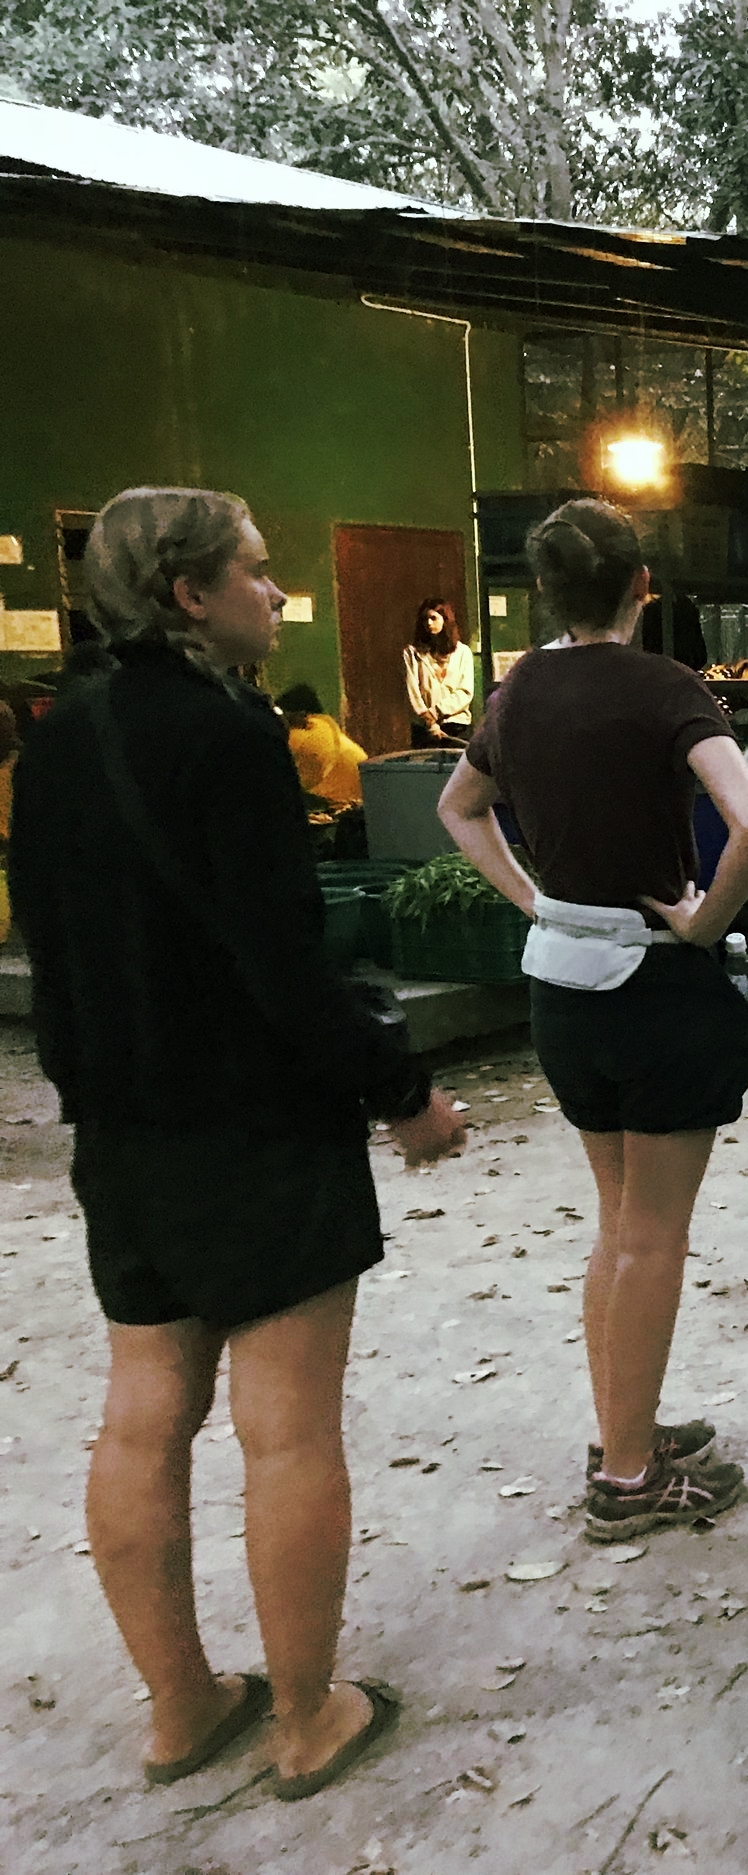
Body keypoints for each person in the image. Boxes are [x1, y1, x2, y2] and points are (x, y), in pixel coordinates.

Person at [12, 487, 467, 1796]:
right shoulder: (227, 737)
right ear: (188, 595)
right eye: (258, 574)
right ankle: (308, 1717)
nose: (278, 595)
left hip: (125, 1136)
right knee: (285, 1429)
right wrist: (402, 1091)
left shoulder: (55, 739)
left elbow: (50, 954)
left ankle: (179, 1707)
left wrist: (91, 1085)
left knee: (141, 1417)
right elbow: (285, 961)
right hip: (258, 1133)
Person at [438, 498, 748, 1544]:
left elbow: (461, 806)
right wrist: (703, 919)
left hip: (561, 983)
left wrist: (531, 897)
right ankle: (630, 1479)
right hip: (653, 982)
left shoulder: (518, 687)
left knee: (618, 1223)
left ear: (547, 593)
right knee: (653, 1234)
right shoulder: (665, 689)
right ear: (644, 587)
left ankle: (620, 1428)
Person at [278, 682, 367, 809]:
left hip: (344, 810)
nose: (280, 721)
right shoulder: (328, 728)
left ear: (301, 714)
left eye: (283, 714)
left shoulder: (309, 734)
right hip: (363, 804)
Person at [405, 598, 475, 746]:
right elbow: (413, 693)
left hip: (457, 725)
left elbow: (465, 692)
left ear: (445, 619)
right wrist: (429, 721)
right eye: (425, 619)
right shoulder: (412, 653)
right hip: (425, 728)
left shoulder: (462, 652)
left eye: (433, 618)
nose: (429, 623)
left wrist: (437, 711)